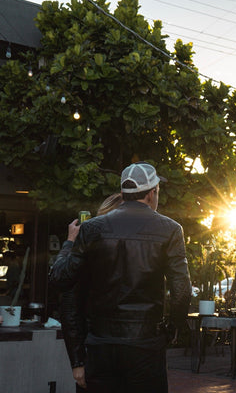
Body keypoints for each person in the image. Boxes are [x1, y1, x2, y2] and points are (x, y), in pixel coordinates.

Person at [50, 162, 192, 393]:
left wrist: (68, 244)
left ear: (124, 192)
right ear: (152, 193)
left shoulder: (91, 229)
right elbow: (182, 290)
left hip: (100, 345)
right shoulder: (170, 229)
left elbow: (61, 280)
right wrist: (171, 329)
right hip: (145, 344)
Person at [57, 193, 123, 391]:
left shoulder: (123, 253)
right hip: (94, 354)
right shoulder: (87, 252)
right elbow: (70, 309)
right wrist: (77, 362)